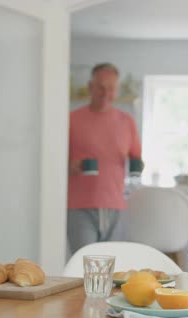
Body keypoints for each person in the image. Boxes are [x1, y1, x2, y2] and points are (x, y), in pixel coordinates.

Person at [67, 63, 141, 260]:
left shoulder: (127, 121)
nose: (105, 92)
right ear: (90, 86)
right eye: (100, 86)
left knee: (112, 269)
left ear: (117, 89)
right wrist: (70, 167)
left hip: (115, 206)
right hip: (79, 207)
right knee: (85, 266)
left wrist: (137, 167)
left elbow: (136, 158)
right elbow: (55, 162)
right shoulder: (71, 119)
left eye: (111, 87)